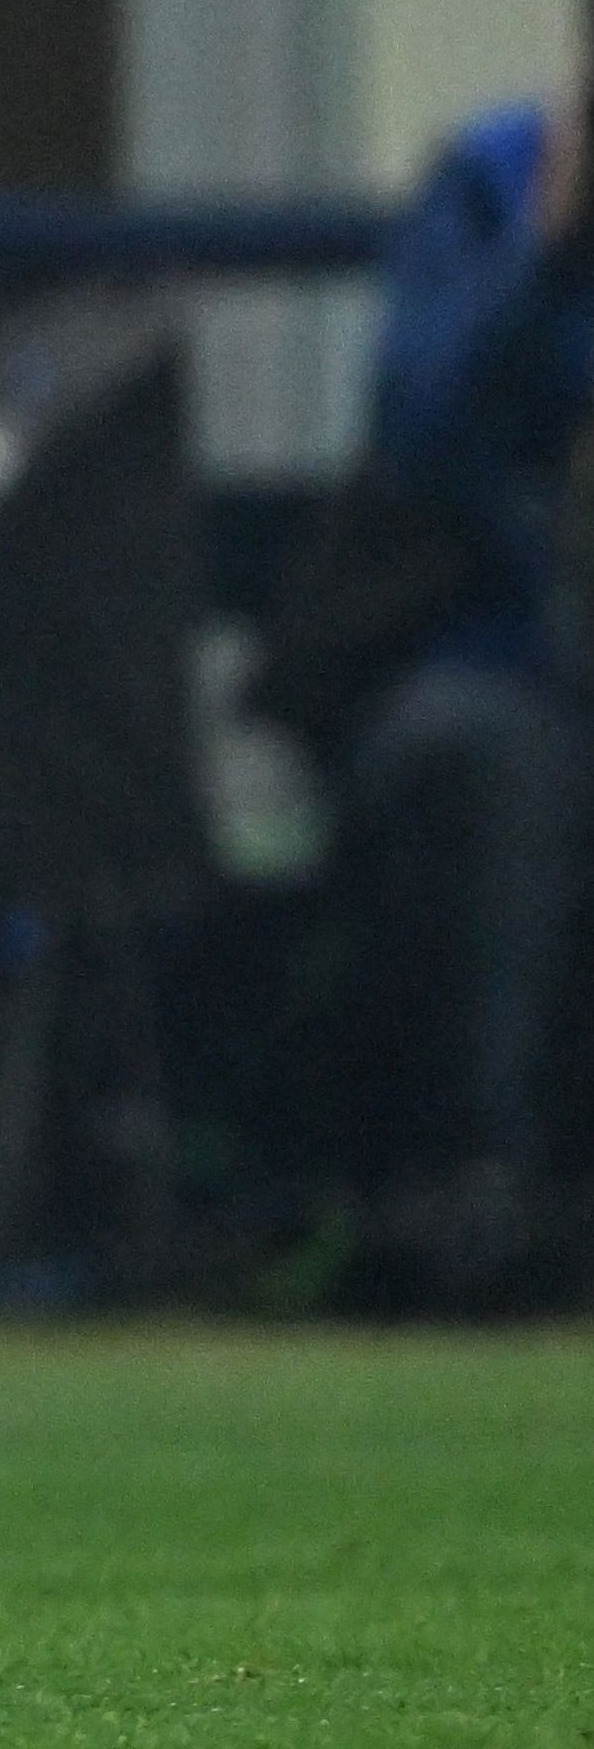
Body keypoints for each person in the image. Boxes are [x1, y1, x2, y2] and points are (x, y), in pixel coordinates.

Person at [330, 90, 594, 1297]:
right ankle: (477, 1194)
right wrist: (549, 249)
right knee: (470, 758)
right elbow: (420, 426)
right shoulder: (494, 174)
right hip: (519, 658)